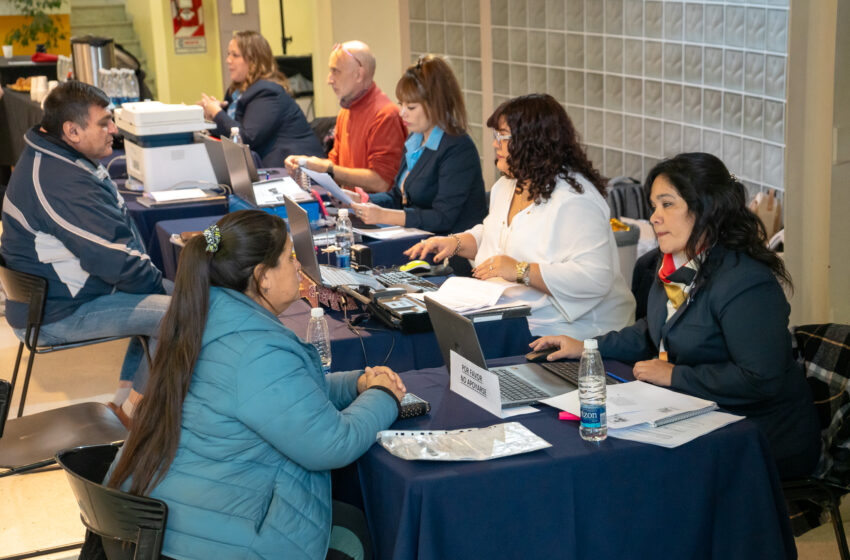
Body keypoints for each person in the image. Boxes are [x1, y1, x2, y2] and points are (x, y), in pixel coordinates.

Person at [107, 210, 406, 559]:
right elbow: (333, 445)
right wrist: (385, 396)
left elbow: (283, 398)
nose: (299, 267)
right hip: (211, 541)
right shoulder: (256, 347)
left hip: (165, 520)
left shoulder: (205, 316)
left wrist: (356, 384)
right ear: (262, 277)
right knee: (358, 533)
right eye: (290, 257)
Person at [530, 153, 820, 479]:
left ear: (706, 208)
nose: (654, 217)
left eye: (667, 205)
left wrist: (673, 376)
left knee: (632, 470)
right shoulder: (672, 263)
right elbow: (655, 330)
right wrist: (586, 346)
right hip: (703, 414)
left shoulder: (746, 281)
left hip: (760, 434)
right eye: (654, 206)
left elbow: (760, 377)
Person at [0, 81, 168, 417]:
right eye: (104, 123)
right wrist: (162, 285)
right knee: (179, 314)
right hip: (54, 314)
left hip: (55, 299)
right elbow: (117, 262)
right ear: (72, 131)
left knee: (178, 299)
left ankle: (122, 405)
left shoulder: (55, 158)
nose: (114, 130)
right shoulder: (59, 179)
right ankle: (138, 418)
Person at [406, 94, 635, 338]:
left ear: (534, 142)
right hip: (522, 314)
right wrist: (455, 243)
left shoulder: (575, 200)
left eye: (502, 137)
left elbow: (594, 277)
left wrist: (519, 270)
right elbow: (495, 236)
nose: (495, 145)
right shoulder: (506, 187)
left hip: (579, 330)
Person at [351, 54, 487, 274]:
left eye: (411, 107)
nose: (402, 113)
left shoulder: (458, 148)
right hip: (419, 243)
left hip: (451, 257)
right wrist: (360, 199)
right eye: (401, 105)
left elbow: (443, 217)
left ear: (435, 106)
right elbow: (398, 197)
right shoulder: (414, 140)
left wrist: (383, 216)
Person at [285, 41, 407, 193]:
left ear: (358, 75)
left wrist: (326, 168)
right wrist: (305, 166)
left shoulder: (385, 115)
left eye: (335, 71)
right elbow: (335, 165)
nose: (329, 80)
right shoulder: (346, 111)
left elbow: (381, 183)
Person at [199, 30, 323, 167]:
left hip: (294, 170)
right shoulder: (235, 92)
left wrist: (217, 113)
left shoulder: (268, 92)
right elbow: (230, 133)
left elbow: (246, 138)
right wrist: (211, 118)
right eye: (228, 54)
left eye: (235, 55)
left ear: (254, 60)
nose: (228, 60)